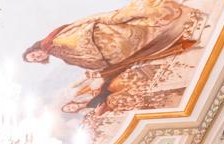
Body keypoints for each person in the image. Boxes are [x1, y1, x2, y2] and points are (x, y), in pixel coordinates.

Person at [24, 0, 207, 114]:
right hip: (111, 53)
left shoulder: (53, 40)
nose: (37, 56)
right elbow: (85, 60)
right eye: (35, 59)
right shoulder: (60, 55)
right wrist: (97, 69)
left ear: (35, 48)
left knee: (142, 30)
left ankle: (177, 22)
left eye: (33, 54)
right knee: (146, 42)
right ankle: (177, 31)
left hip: (107, 37)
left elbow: (82, 29)